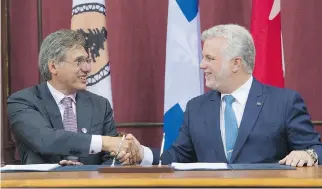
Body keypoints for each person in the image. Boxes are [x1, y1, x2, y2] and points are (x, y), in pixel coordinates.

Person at [142, 24, 321, 167]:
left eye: (210, 58)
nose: (202, 65)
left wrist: (308, 154)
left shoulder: (284, 103)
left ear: (236, 63)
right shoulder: (196, 108)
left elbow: (316, 149)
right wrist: (142, 154)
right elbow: (177, 158)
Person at [7, 29, 157, 165]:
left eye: (87, 60)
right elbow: (44, 139)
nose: (87, 68)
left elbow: (111, 159)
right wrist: (105, 142)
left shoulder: (100, 105)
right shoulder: (23, 101)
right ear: (53, 67)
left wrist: (92, 172)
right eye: (79, 61)